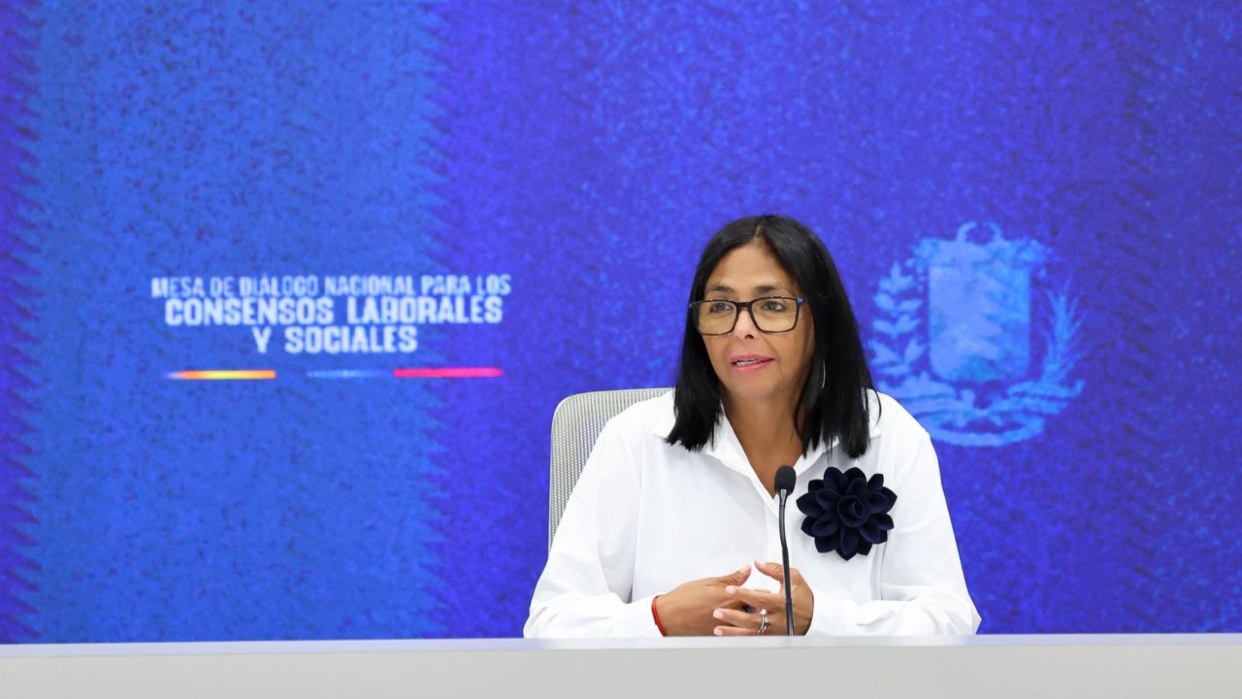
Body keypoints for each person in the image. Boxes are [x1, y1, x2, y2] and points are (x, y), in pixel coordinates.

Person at [524, 215, 980, 637]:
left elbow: (949, 619)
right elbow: (551, 624)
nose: (742, 328)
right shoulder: (636, 439)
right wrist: (660, 618)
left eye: (772, 305)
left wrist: (819, 621)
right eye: (720, 307)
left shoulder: (888, 433)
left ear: (820, 323)